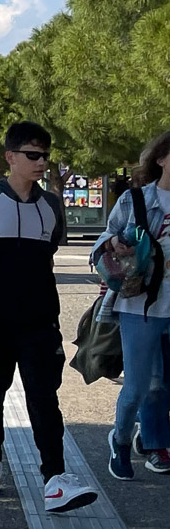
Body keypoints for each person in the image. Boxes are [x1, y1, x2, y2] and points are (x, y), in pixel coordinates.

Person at [0, 121, 97, 513]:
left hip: (39, 321)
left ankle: (55, 478)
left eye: (45, 156)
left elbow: (46, 255)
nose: (40, 162)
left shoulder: (51, 205)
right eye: (33, 155)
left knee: (44, 396)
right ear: (10, 157)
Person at [95, 129, 170, 479]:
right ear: (161, 158)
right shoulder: (136, 200)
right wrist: (113, 242)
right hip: (141, 306)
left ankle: (155, 442)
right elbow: (101, 244)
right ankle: (121, 439)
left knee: (161, 384)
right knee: (140, 386)